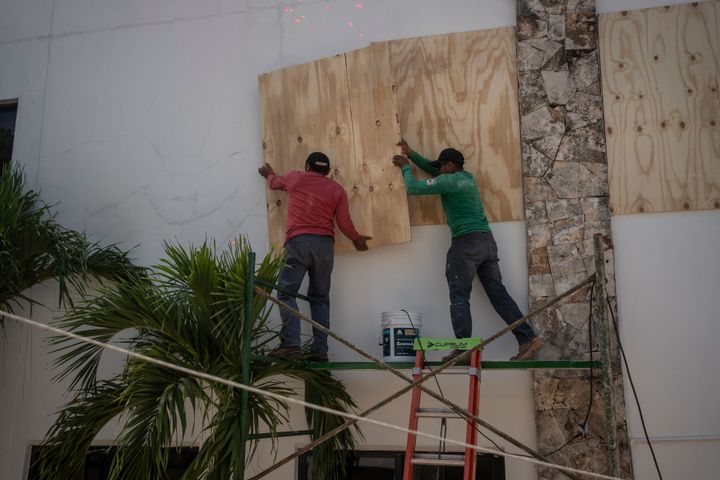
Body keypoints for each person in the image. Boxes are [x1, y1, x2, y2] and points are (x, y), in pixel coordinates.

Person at [392, 139, 543, 362]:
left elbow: (413, 188)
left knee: (459, 295)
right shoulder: (467, 178)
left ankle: (463, 347)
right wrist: (413, 154)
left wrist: (406, 167)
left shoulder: (448, 181)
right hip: (486, 242)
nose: (438, 171)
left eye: (441, 166)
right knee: (499, 295)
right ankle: (527, 338)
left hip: (466, 244)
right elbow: (434, 171)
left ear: (450, 166)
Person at [259, 152, 371, 362]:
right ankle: (320, 351)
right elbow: (344, 222)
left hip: (298, 242)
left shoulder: (296, 177)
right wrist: (357, 239)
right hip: (324, 246)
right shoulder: (337, 190)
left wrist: (268, 174)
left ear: (307, 166)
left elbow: (275, 184)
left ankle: (291, 344)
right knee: (320, 299)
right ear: (327, 171)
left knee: (285, 292)